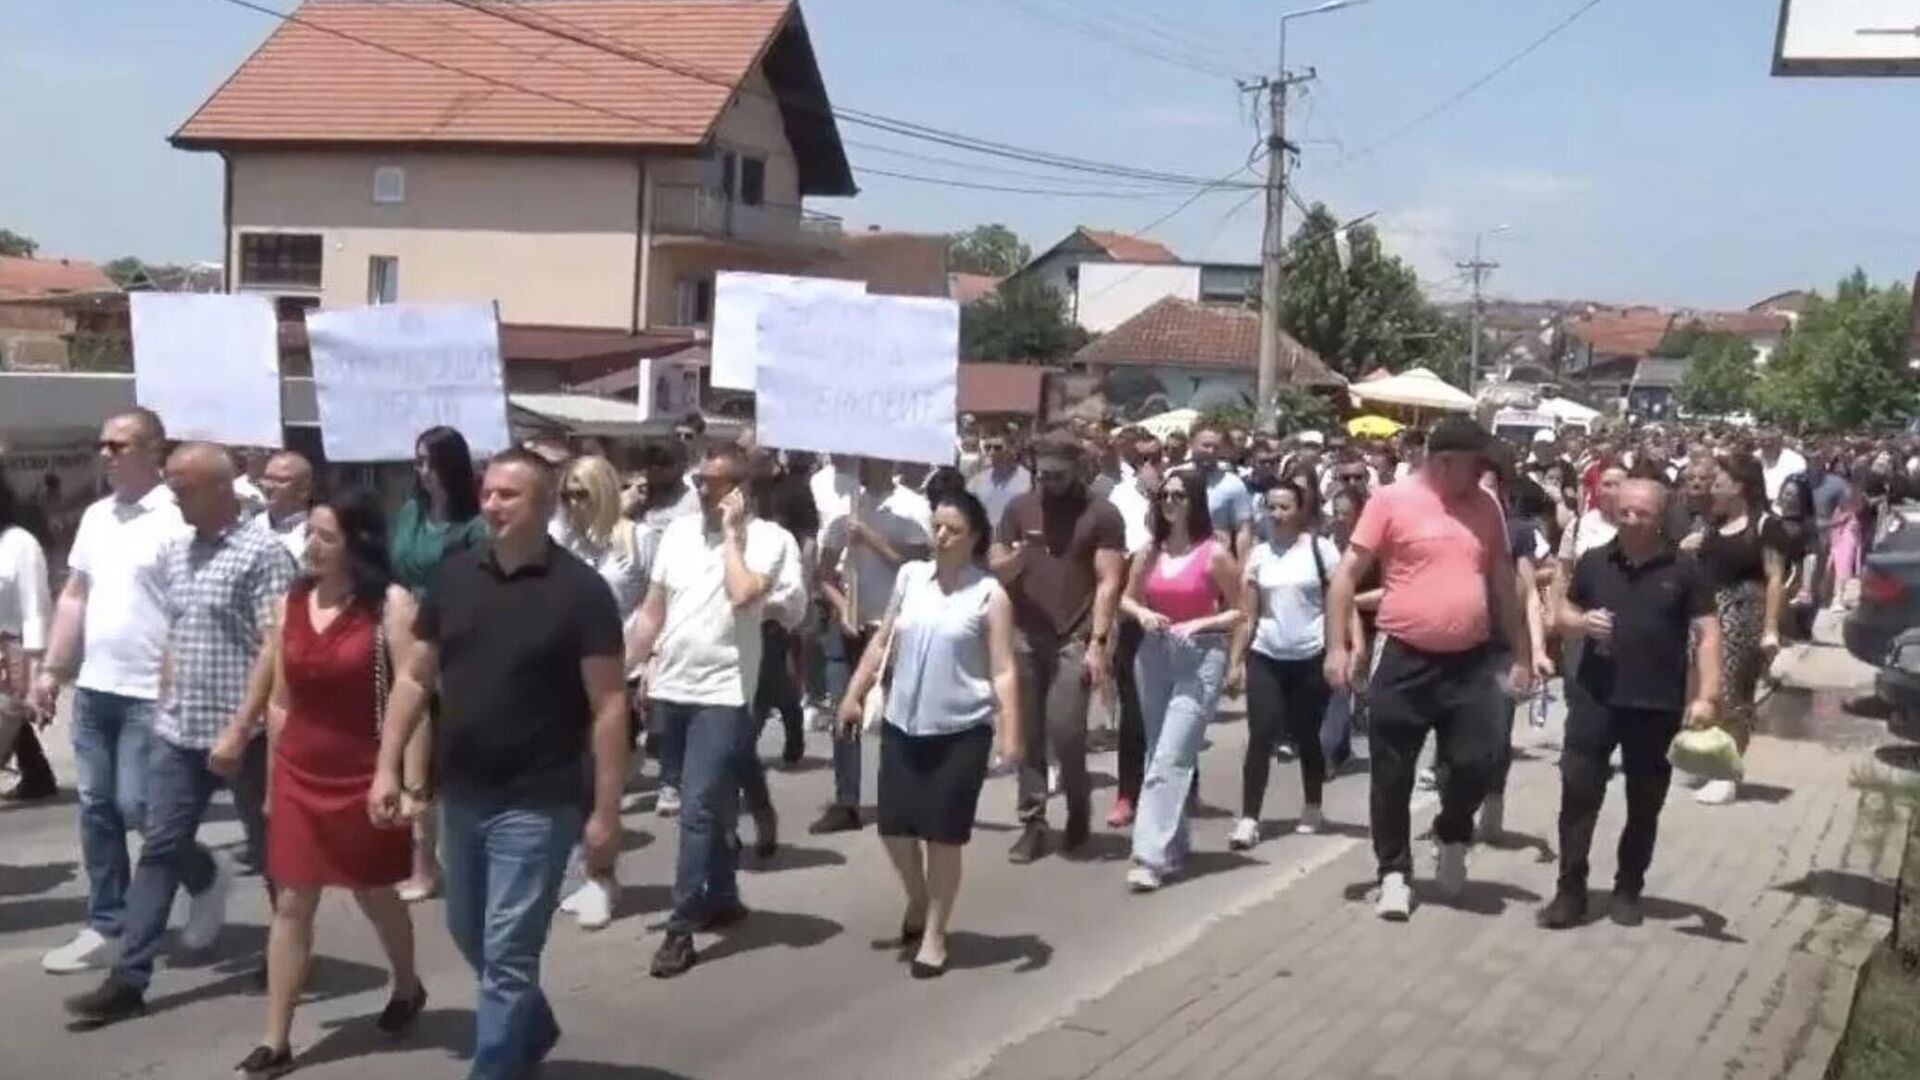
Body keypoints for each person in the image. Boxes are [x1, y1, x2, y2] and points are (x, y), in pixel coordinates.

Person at [371, 449, 629, 1079]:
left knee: (509, 954)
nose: (491, 504)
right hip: (464, 792)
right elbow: (414, 677)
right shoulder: (457, 577)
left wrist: (606, 811)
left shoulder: (581, 592)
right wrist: (386, 767)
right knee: (468, 933)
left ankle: (495, 1068)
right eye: (487, 493)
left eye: (508, 495)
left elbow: (609, 704)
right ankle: (529, 1029)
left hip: (539, 800)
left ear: (543, 503)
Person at [64, 443, 298, 1025]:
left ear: (221, 490)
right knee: (160, 847)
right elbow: (176, 627)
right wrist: (168, 688)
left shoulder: (263, 554)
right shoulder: (179, 551)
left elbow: (278, 648)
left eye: (184, 487)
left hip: (245, 735)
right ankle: (129, 977)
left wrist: (243, 727)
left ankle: (287, 952)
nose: (173, 496)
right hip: (179, 728)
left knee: (272, 853)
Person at [209, 489, 426, 1077]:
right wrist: (275, 783)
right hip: (302, 770)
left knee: (374, 893)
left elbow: (416, 696)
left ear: (357, 544)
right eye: (310, 534)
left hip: (365, 770)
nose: (312, 546)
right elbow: (281, 702)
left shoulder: (391, 606)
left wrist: (407, 784)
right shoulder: (291, 603)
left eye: (326, 537)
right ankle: (276, 1038)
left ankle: (406, 986)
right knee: (292, 902)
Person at [1325, 417, 1535, 922]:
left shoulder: (1486, 507)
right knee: (1392, 773)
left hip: (1470, 662)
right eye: (1476, 462)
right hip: (1405, 660)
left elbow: (1506, 586)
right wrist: (1337, 645)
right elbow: (1344, 578)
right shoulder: (1391, 501)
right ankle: (1393, 873)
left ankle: (1452, 831)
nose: (1485, 471)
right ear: (1445, 462)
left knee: (1473, 763)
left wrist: (1525, 655)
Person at [627, 445, 803, 979]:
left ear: (740, 489)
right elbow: (653, 610)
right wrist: (630, 667)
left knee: (697, 807)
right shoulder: (677, 535)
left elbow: (745, 593)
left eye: (713, 483)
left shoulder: (771, 541)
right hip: (672, 686)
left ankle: (679, 929)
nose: (700, 491)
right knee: (712, 799)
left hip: (724, 691)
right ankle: (723, 891)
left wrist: (731, 536)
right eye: (699, 481)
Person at [837, 491, 1021, 977]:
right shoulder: (911, 577)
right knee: (894, 829)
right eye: (936, 527)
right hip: (903, 723)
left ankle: (935, 933)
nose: (940, 537)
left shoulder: (988, 595)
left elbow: (1003, 669)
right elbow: (884, 640)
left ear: (975, 538)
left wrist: (1010, 733)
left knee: (943, 837)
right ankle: (917, 897)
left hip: (962, 731)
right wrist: (853, 693)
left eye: (952, 530)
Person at [31, 408, 188, 975]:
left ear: (154, 451)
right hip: (96, 688)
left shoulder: (179, 518)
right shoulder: (98, 517)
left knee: (139, 806)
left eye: (119, 444)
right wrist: (51, 670)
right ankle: (107, 922)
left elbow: (191, 608)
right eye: (102, 444)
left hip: (152, 692)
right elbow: (75, 594)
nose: (106, 453)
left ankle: (203, 875)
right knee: (96, 810)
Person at [1540, 479, 1721, 929]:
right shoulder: (1594, 562)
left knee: (1644, 803)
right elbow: (1560, 616)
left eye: (1643, 513)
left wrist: (1706, 697)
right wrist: (1582, 624)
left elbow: (1707, 633)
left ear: (1661, 517)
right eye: (1625, 512)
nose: (1633, 520)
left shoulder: (1684, 569)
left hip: (1655, 703)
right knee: (1579, 796)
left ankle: (1628, 888)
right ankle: (1570, 890)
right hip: (1595, 698)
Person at [989, 433, 1126, 863]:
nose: (1048, 482)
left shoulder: (1101, 514)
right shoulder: (1018, 509)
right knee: (1028, 732)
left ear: (1078, 470)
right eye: (1042, 474)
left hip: (1075, 634)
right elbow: (996, 566)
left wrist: (1099, 642)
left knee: (1066, 730)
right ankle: (1032, 821)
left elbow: (1108, 581)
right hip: (1027, 633)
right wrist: (1020, 555)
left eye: (1058, 476)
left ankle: (1079, 806)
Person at [1119, 468, 1242, 892]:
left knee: (1171, 755)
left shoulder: (1214, 553)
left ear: (1194, 502)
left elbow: (1241, 609)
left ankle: (1148, 856)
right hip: (1153, 655)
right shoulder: (1148, 552)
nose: (1169, 502)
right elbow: (1126, 598)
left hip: (1199, 656)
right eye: (1164, 496)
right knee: (1159, 752)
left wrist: (1202, 624)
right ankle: (1174, 841)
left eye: (1178, 495)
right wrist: (1142, 613)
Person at [388, 426, 488, 903]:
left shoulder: (473, 525)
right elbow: (396, 567)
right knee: (414, 747)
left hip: (457, 642)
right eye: (417, 462)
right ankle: (422, 863)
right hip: (407, 635)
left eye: (428, 461)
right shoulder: (411, 513)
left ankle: (457, 857)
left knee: (445, 758)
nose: (420, 471)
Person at [549, 456, 648, 930]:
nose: (571, 502)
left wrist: (646, 664)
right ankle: (577, 875)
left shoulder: (634, 540)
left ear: (604, 492)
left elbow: (651, 608)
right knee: (569, 781)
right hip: (562, 674)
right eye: (566, 493)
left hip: (617, 672)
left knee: (603, 781)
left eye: (581, 493)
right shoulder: (557, 541)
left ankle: (602, 877)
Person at [813, 458, 931, 835]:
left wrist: (870, 537)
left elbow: (916, 564)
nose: (863, 465)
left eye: (871, 459)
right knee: (842, 710)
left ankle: (900, 798)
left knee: (896, 717)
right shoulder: (845, 509)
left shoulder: (913, 507)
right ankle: (846, 801)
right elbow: (824, 573)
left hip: (895, 625)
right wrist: (840, 606)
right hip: (852, 626)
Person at [1231, 478, 1348, 849]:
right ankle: (1249, 818)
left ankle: (1312, 803)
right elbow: (1247, 614)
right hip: (1266, 654)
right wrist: (1236, 660)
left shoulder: (1321, 550)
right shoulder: (1260, 555)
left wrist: (1339, 649)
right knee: (1261, 736)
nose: (1277, 514)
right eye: (1272, 507)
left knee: (1306, 734)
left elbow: (1338, 603)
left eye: (1285, 507)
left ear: (1301, 511)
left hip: (1310, 657)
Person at [1682, 453, 1788, 806]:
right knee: (1703, 691)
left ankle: (1728, 773)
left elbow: (1775, 578)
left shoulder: (1764, 525)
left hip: (1744, 617)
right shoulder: (1715, 522)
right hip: (1708, 617)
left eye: (1719, 480)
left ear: (1739, 485)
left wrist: (1771, 628)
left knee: (1733, 695)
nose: (1712, 486)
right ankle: (1710, 760)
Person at [1104, 436, 1162, 828]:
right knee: (1134, 719)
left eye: (1156, 456)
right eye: (1143, 458)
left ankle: (1179, 789)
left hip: (1178, 634)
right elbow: (1117, 589)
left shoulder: (1204, 549)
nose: (1151, 463)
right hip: (1134, 630)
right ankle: (1128, 793)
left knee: (1172, 720)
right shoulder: (1119, 502)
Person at [0, 469, 53, 800]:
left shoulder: (19, 543)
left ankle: (36, 773)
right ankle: (36, 774)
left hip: (10, 657)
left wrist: (37, 675)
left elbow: (37, 610)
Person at [1184, 423, 1255, 558]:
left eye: (1216, 447)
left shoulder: (1232, 484)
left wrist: (1242, 567)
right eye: (1206, 445)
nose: (1211, 451)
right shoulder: (1174, 477)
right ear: (1191, 444)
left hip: (1215, 561)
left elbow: (1243, 530)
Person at [968, 428, 1031, 534]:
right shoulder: (976, 481)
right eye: (987, 448)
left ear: (1012, 448)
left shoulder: (1028, 481)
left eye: (997, 448)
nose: (991, 452)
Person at [257, 450, 315, 561]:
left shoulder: (315, 534)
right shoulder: (249, 525)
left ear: (304, 489)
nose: (269, 486)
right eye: (267, 478)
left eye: (280, 480)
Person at [1757, 430, 1807, 502]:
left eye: (1772, 440)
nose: (1767, 443)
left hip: (1786, 506)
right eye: (1763, 440)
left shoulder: (1796, 460)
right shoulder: (1752, 459)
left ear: (1780, 441)